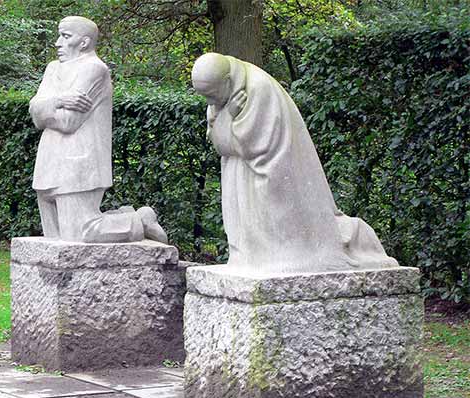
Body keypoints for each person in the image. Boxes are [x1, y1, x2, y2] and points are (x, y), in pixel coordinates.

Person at [191, 53, 397, 273]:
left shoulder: (258, 89)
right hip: (240, 172)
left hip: (269, 171)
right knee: (246, 226)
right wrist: (228, 116)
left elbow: (248, 145)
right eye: (205, 97)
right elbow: (221, 144)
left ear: (227, 81)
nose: (210, 103)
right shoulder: (224, 96)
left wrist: (227, 121)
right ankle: (254, 257)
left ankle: (281, 256)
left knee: (281, 235)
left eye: (212, 95)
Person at [30, 16, 166, 243]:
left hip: (78, 163)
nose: (57, 43)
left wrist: (47, 106)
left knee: (79, 233)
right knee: (55, 238)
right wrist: (62, 98)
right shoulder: (53, 69)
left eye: (65, 36)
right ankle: (128, 218)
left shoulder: (94, 69)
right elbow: (35, 113)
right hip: (49, 161)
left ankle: (138, 221)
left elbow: (68, 121)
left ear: (83, 42)